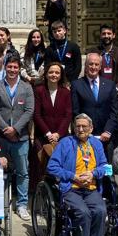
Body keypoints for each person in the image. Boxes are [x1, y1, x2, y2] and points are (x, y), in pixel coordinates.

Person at [46, 114, 109, 236]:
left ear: (91, 128)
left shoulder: (96, 144)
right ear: (73, 128)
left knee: (100, 210)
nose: (80, 129)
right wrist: (73, 176)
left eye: (84, 126)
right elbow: (52, 167)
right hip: (71, 188)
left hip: (91, 188)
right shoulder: (65, 143)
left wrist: (93, 174)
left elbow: (105, 167)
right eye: (78, 126)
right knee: (83, 212)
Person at [0, 55, 34, 221]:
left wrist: (15, 128)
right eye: (10, 67)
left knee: (22, 171)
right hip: (1, 137)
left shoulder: (26, 87)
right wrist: (5, 128)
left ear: (19, 68)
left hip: (20, 137)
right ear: (5, 67)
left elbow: (29, 111)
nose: (12, 70)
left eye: (15, 67)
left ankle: (22, 204)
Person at [31, 62, 72, 190]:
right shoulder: (39, 91)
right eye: (51, 72)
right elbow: (37, 115)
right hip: (43, 136)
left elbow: (68, 115)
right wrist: (48, 134)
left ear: (61, 75)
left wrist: (58, 134)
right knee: (40, 165)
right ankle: (40, 191)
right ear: (46, 74)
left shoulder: (65, 92)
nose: (54, 75)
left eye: (57, 72)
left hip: (61, 136)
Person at [70, 52, 118, 161]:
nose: (93, 67)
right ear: (85, 66)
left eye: (96, 64)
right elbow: (75, 111)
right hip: (85, 136)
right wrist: (84, 131)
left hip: (105, 136)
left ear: (100, 66)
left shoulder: (110, 85)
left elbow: (114, 111)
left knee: (106, 171)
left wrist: (108, 131)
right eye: (90, 64)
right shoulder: (76, 85)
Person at [94, 24, 118, 91]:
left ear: (113, 35)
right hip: (98, 90)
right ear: (100, 36)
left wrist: (117, 87)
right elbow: (89, 72)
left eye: (109, 33)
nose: (106, 36)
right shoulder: (94, 51)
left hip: (117, 91)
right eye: (103, 34)